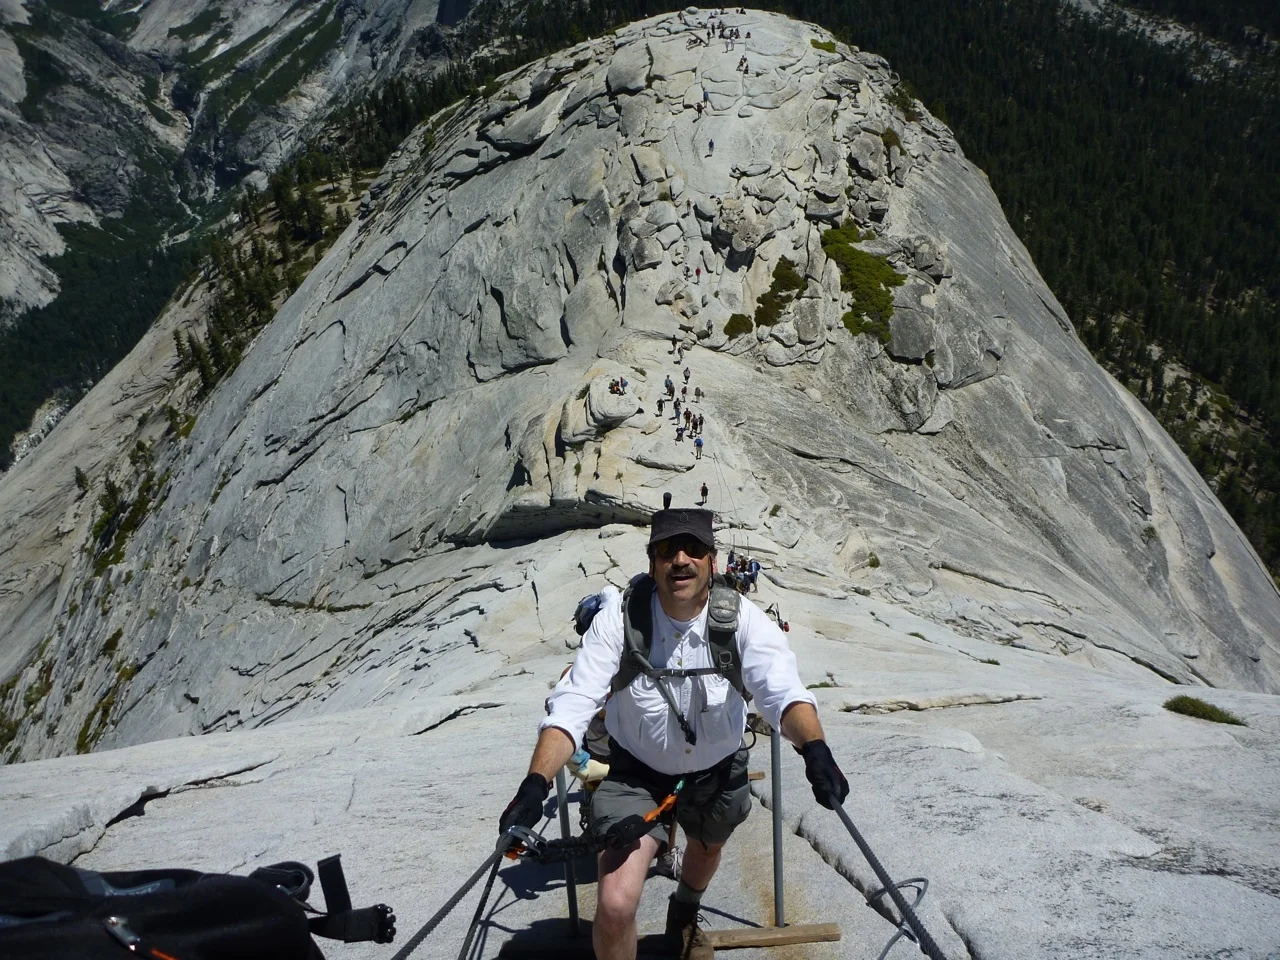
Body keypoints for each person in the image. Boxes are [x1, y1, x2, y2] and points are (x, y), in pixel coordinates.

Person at [498, 510, 847, 960]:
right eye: (667, 550)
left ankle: (683, 911)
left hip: (716, 769)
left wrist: (815, 748)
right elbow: (574, 703)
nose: (680, 560)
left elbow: (782, 693)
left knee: (706, 849)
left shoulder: (742, 621)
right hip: (637, 773)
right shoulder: (619, 622)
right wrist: (535, 783)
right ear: (652, 563)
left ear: (712, 562)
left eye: (693, 549)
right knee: (615, 905)